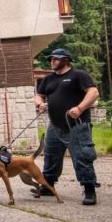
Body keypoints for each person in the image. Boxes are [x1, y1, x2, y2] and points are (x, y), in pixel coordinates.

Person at [34, 48, 99, 206]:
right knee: (50, 156)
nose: (52, 61)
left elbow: (94, 92)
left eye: (56, 59)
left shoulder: (78, 75)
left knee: (82, 157)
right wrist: (40, 104)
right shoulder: (48, 79)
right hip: (55, 125)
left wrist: (80, 108)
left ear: (66, 60)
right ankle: (48, 186)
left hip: (77, 125)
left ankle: (89, 189)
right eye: (51, 59)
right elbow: (38, 94)